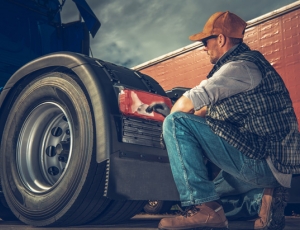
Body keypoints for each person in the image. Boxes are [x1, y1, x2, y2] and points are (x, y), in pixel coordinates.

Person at [147, 11, 300, 230]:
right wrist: (171, 110)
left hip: (262, 161)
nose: (204, 47)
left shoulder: (239, 67)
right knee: (215, 194)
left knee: (176, 124)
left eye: (206, 41)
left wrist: (170, 122)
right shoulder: (251, 68)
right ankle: (262, 201)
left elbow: (189, 103)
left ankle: (204, 209)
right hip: (275, 166)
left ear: (221, 39)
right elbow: (204, 112)